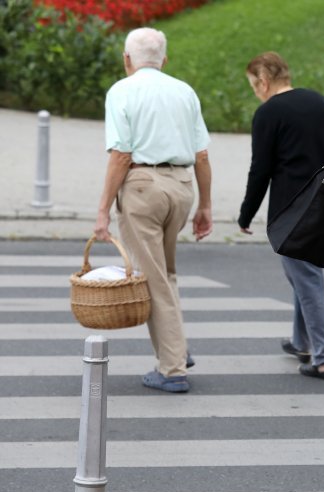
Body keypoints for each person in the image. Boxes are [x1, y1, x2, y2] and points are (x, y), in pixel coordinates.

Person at [93, 27, 213, 394]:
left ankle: (173, 368)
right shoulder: (184, 91)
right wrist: (205, 204)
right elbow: (202, 155)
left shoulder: (122, 91)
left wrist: (101, 211)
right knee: (166, 273)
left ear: (127, 59)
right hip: (181, 188)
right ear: (165, 59)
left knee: (152, 278)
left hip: (143, 187)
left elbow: (121, 155)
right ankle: (176, 345)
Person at [237, 52, 324, 381]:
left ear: (263, 82)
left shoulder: (268, 112)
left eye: (254, 85)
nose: (256, 91)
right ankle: (303, 341)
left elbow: (261, 170)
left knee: (305, 277)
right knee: (302, 274)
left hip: (291, 210)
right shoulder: (319, 102)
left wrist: (246, 214)